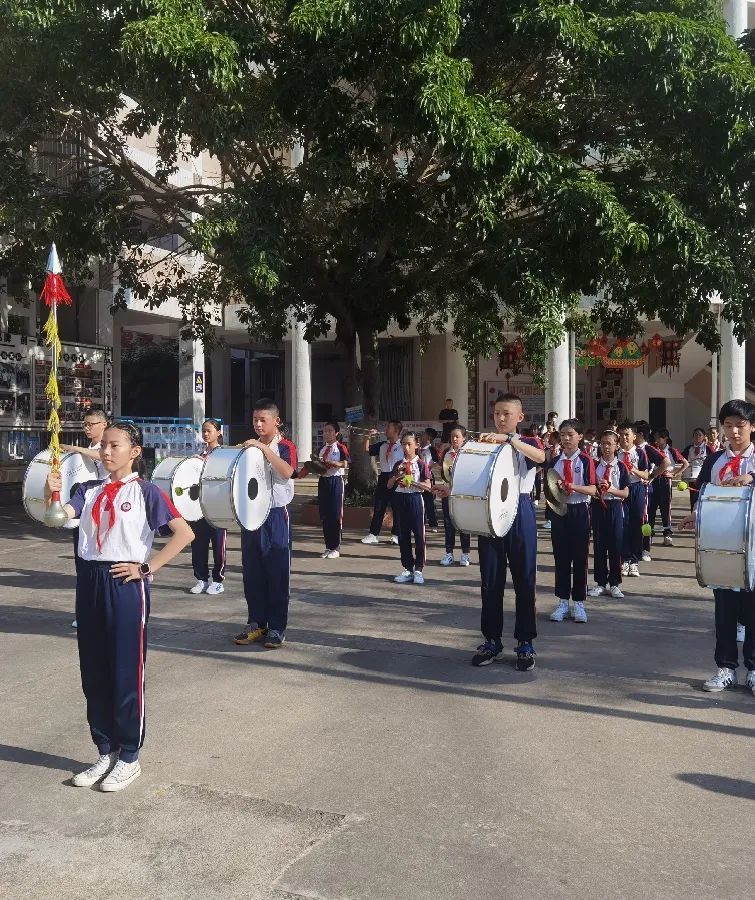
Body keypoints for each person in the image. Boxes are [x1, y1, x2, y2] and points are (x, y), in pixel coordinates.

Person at [46, 421, 193, 791]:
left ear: (135, 451)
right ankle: (105, 750)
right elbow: (58, 517)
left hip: (125, 584)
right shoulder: (87, 489)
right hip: (90, 582)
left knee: (126, 670)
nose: (107, 452)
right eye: (104, 446)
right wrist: (53, 495)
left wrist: (147, 567)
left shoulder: (146, 492)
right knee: (93, 670)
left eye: (115, 446)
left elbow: (184, 533)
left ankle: (129, 756)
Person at [437, 393, 544, 671]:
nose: (500, 418)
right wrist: (452, 491)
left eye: (507, 413)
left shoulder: (528, 442)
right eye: (497, 413)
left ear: (520, 417)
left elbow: (541, 458)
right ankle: (492, 641)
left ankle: (525, 643)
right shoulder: (485, 443)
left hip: (521, 510)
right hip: (490, 513)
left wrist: (509, 440)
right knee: (490, 581)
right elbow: (474, 478)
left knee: (524, 581)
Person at [679, 399, 755, 696]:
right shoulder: (714, 461)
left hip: (753, 547)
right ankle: (725, 668)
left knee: (752, 611)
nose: (734, 432)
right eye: (728, 426)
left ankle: (753, 669)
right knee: (724, 610)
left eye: (740, 425)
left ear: (752, 426)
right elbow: (704, 497)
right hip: (721, 545)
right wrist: (693, 516)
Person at [234, 399, 297, 650]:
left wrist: (263, 450)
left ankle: (277, 627)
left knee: (277, 572)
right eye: (255, 420)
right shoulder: (248, 448)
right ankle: (256, 623)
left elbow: (287, 472)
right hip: (251, 515)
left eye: (263, 420)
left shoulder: (284, 446)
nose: (258, 425)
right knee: (252, 572)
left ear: (276, 421)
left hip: (275, 514)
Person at [61, 407, 109, 628]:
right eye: (85, 424)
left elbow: (101, 455)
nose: (87, 428)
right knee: (82, 564)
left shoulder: (108, 445)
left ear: (104, 424)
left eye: (91, 424)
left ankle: (101, 611)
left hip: (105, 510)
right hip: (86, 509)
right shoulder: (87, 448)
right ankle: (84, 612)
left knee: (101, 564)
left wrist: (73, 448)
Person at [548, 419, 597, 624]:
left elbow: (593, 489)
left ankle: (578, 602)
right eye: (563, 435)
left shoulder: (585, 461)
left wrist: (572, 487)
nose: (566, 439)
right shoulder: (555, 461)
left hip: (579, 510)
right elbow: (549, 489)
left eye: (570, 434)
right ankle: (562, 602)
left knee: (579, 557)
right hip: (560, 511)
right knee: (561, 557)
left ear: (579, 436)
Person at [588, 430, 630, 599]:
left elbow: (626, 493)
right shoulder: (594, 465)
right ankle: (599, 582)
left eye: (609, 444)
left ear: (616, 446)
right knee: (599, 545)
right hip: (598, 505)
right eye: (603, 443)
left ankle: (615, 583)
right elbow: (589, 488)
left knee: (615, 545)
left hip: (614, 506)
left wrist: (610, 488)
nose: (606, 447)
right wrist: (598, 490)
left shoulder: (621, 466)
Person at [387, 431, 432, 585]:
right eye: (403, 444)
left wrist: (413, 482)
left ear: (417, 445)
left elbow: (428, 486)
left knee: (419, 535)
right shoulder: (398, 464)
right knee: (402, 535)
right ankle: (408, 568)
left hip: (415, 498)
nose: (406, 447)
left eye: (409, 444)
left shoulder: (421, 464)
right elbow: (389, 485)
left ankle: (419, 569)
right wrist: (397, 476)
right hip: (400, 498)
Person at [189, 419, 227, 595]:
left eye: (209, 430)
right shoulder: (200, 454)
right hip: (199, 506)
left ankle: (218, 580)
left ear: (218, 432)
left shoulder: (224, 454)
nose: (205, 434)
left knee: (218, 544)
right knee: (198, 543)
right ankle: (201, 578)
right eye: (203, 431)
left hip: (218, 505)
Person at [361, 420, 404, 545]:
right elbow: (367, 449)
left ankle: (396, 534)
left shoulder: (402, 446)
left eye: (389, 427)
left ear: (396, 431)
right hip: (384, 476)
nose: (386, 430)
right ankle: (373, 534)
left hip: (397, 476)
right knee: (379, 506)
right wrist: (368, 436)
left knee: (397, 507)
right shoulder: (382, 445)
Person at [617, 422, 649, 577]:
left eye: (627, 434)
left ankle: (634, 560)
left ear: (634, 436)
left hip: (637, 488)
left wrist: (633, 469)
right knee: (623, 524)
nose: (624, 438)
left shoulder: (640, 453)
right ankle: (624, 558)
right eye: (621, 434)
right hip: (622, 489)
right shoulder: (616, 453)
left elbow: (646, 475)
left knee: (637, 523)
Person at [634, 421, 668, 561]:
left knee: (646, 519)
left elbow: (666, 462)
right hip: (632, 488)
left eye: (633, 433)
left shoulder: (647, 449)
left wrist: (652, 475)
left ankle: (645, 548)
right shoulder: (631, 449)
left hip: (646, 489)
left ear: (640, 435)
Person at [316, 421, 350, 559]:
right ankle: (328, 546)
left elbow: (346, 462)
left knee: (335, 514)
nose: (327, 433)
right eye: (325, 431)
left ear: (336, 433)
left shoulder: (341, 447)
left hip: (336, 481)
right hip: (323, 481)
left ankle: (335, 547)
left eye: (330, 431)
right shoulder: (322, 449)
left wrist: (336, 463)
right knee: (325, 514)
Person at [439, 425, 471, 566]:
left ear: (464, 438)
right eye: (452, 436)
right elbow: (443, 473)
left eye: (457, 436)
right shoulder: (446, 453)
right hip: (448, 493)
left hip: (463, 494)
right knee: (448, 524)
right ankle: (449, 553)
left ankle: (465, 554)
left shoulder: (468, 453)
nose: (454, 439)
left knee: (463, 524)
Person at [649, 429, 688, 547]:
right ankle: (649, 534)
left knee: (665, 509)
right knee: (651, 509)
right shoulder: (652, 450)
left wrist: (674, 474)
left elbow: (685, 463)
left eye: (658, 438)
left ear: (665, 438)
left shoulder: (671, 451)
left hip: (665, 481)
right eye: (654, 438)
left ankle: (667, 534)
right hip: (653, 480)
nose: (656, 440)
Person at [681, 428, 712, 510]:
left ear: (704, 437)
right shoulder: (689, 449)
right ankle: (693, 519)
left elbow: (712, 462)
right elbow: (680, 458)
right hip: (691, 478)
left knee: (703, 499)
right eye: (695, 435)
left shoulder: (708, 449)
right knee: (693, 499)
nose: (697, 437)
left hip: (703, 479)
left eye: (699, 435)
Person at [419, 428, 439, 531]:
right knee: (419, 500)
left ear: (428, 437)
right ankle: (421, 522)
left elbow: (438, 461)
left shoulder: (431, 450)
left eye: (424, 434)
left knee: (429, 501)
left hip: (428, 477)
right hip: (417, 478)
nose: (421, 436)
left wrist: (429, 468)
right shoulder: (418, 448)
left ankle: (433, 523)